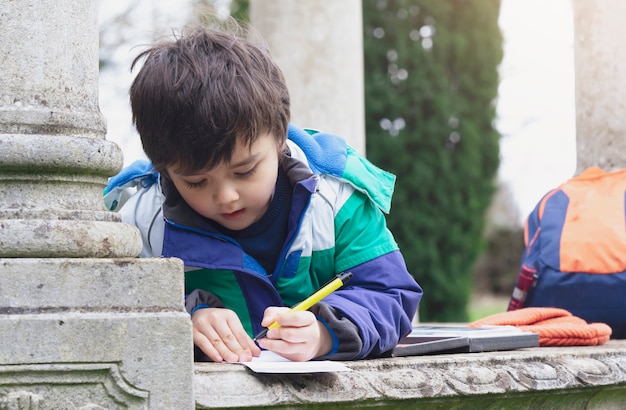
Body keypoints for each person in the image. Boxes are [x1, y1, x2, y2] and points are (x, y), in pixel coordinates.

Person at [104, 25, 422, 363]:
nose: (226, 196)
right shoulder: (138, 222)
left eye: (244, 172)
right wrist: (183, 319)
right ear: (163, 169)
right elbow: (110, 308)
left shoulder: (338, 200)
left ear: (280, 138)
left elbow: (391, 294)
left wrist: (326, 333)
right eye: (196, 182)